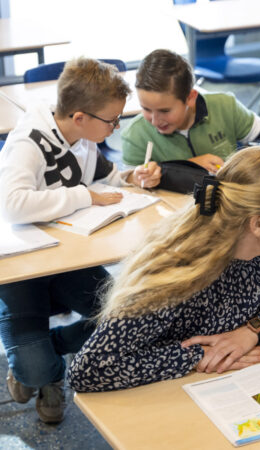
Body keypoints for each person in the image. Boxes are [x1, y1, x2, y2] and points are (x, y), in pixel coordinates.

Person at [68, 146, 260, 392]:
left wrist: (254, 330)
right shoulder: (173, 272)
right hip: (175, 396)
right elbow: (89, 369)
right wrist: (197, 355)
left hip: (230, 383)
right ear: (257, 223)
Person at [0, 58, 161, 424]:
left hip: (68, 257)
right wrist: (84, 196)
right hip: (23, 266)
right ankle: (43, 373)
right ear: (79, 117)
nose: (117, 127)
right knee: (36, 370)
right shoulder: (28, 142)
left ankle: (48, 349)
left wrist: (133, 177)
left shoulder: (84, 139)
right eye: (112, 120)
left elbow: (105, 179)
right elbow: (11, 205)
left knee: (125, 318)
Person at [121, 49, 260, 175]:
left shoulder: (224, 105)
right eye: (146, 109)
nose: (155, 120)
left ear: (190, 97)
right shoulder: (136, 135)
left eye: (165, 111)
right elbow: (131, 186)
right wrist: (187, 167)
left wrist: (242, 158)